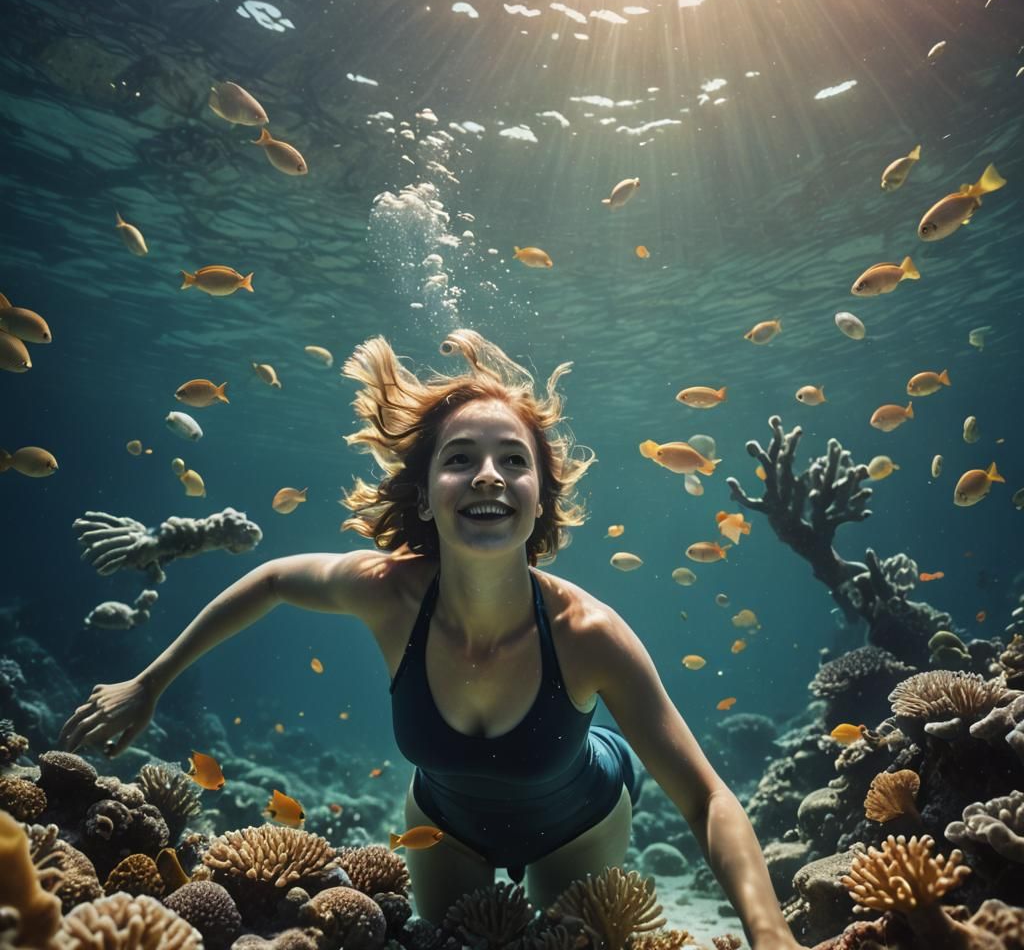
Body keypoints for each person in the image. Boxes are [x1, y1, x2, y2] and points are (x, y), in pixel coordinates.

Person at [60, 330, 799, 946]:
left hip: (580, 822)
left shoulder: (589, 634)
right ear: (424, 495)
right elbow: (275, 579)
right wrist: (149, 683)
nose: (488, 476)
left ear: (541, 498)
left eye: (514, 460)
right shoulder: (388, 593)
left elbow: (707, 798)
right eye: (460, 458)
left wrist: (770, 936)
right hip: (444, 824)